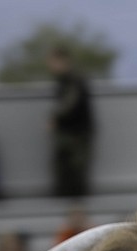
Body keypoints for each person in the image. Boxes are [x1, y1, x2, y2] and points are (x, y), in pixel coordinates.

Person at [48, 46, 95, 198]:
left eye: (55, 62)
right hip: (70, 134)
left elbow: (70, 104)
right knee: (64, 172)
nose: (53, 66)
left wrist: (56, 118)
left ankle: (78, 208)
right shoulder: (63, 81)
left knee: (76, 173)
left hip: (77, 135)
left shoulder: (73, 80)